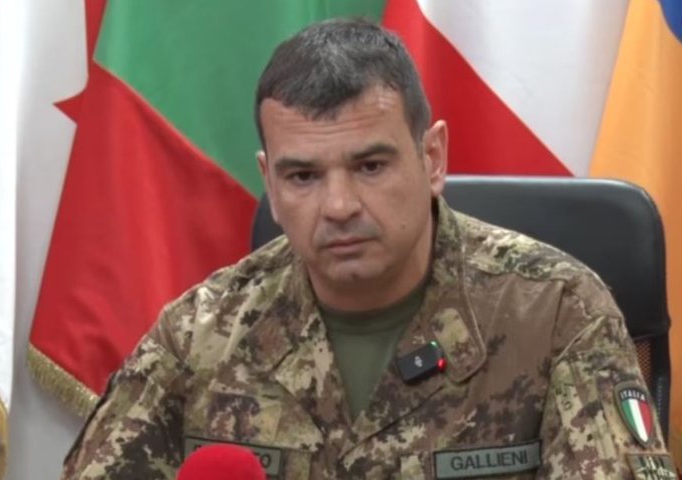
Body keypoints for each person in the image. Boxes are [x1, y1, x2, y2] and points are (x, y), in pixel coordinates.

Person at [62, 18, 673, 479]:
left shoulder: (556, 313)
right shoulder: (201, 334)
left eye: (370, 166)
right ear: (270, 183)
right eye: (303, 176)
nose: (338, 205)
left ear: (432, 159)